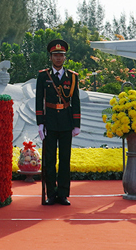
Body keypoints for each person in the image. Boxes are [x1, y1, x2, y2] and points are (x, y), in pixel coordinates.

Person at [35, 39, 80, 205]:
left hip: (67, 123)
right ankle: (51, 194)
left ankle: (63, 194)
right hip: (50, 123)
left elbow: (76, 101)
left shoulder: (73, 77)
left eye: (61, 55)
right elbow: (39, 100)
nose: (58, 58)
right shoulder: (43, 76)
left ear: (65, 57)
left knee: (65, 159)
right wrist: (40, 123)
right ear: (51, 57)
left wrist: (77, 125)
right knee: (50, 160)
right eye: (55, 55)